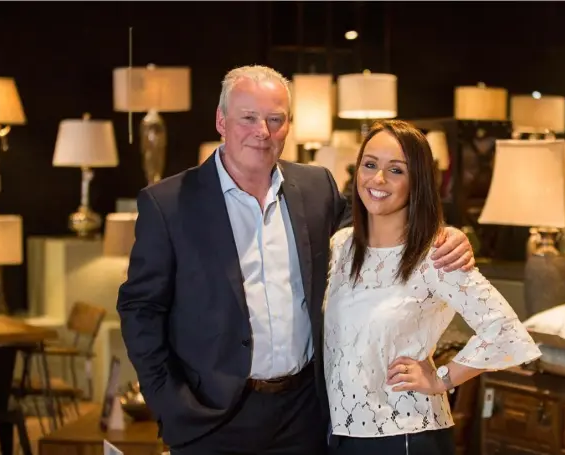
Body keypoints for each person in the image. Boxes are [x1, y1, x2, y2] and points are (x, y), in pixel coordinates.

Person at [116, 65, 475, 455]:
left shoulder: (315, 186)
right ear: (221, 120)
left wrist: (444, 233)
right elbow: (140, 310)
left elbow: (377, 228)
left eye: (275, 119)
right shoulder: (168, 204)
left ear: (289, 124)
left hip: (305, 413)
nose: (262, 132)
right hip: (213, 419)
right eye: (248, 118)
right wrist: (172, 406)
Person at [323, 120, 542, 455]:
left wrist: (442, 378)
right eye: (370, 165)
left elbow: (505, 330)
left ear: (417, 182)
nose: (378, 179)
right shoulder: (341, 247)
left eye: (396, 170)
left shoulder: (436, 254)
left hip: (407, 436)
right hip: (342, 435)